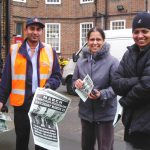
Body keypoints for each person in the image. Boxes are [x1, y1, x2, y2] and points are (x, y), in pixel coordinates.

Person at [0, 17, 61, 150]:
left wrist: (50, 84)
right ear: (26, 30)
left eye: (38, 29)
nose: (35, 32)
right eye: (32, 28)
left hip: (42, 103)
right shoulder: (14, 50)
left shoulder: (50, 50)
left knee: (42, 143)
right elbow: (6, 78)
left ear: (41, 32)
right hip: (22, 104)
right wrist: (1, 100)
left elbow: (57, 75)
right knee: (21, 140)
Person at [72, 27, 119, 150]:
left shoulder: (113, 62)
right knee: (86, 147)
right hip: (86, 114)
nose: (95, 42)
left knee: (105, 147)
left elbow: (117, 87)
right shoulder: (81, 62)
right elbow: (73, 82)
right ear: (87, 41)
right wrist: (76, 84)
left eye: (98, 39)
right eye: (92, 39)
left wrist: (101, 94)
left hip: (105, 114)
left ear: (103, 41)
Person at [111, 12, 150, 150]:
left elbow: (146, 87)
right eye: (136, 32)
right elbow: (115, 82)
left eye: (145, 31)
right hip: (130, 123)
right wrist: (137, 80)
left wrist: (124, 101)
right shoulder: (129, 53)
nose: (140, 36)